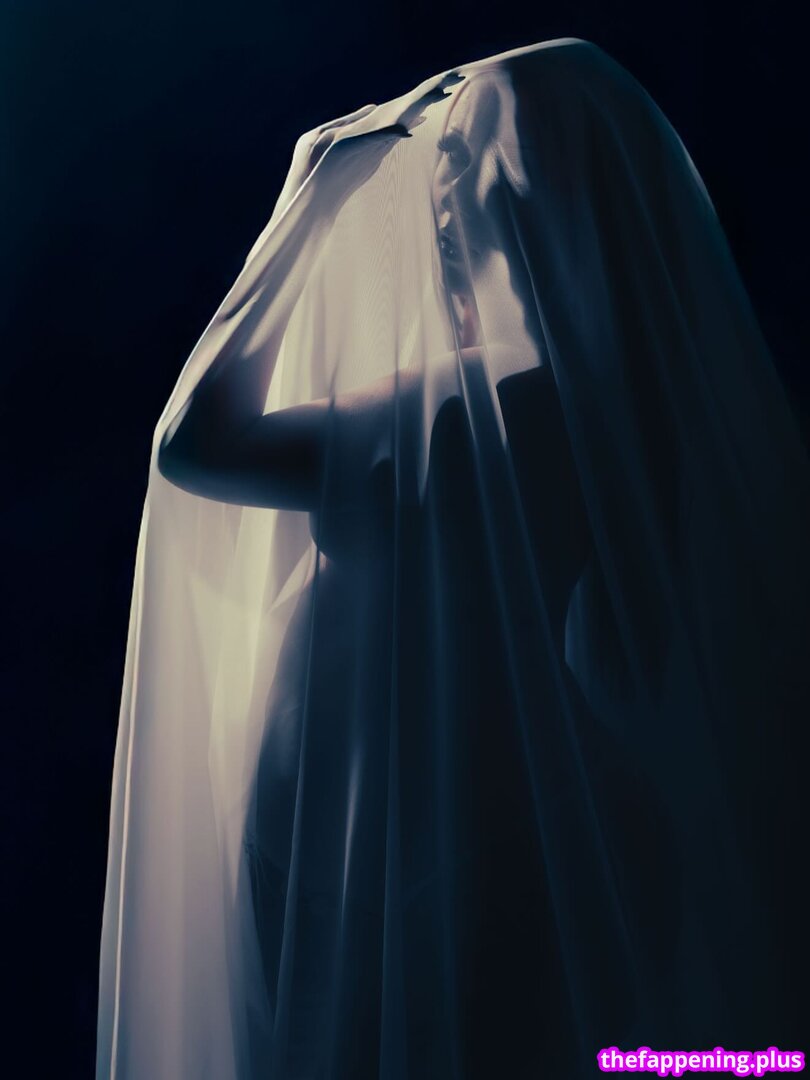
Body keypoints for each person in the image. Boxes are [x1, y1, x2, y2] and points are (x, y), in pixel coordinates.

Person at [97, 39, 810, 1080]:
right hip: (460, 830)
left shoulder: (486, 402)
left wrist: (310, 194)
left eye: (463, 173)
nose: (438, 201)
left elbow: (193, 441)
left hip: (378, 856)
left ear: (521, 199)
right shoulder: (620, 407)